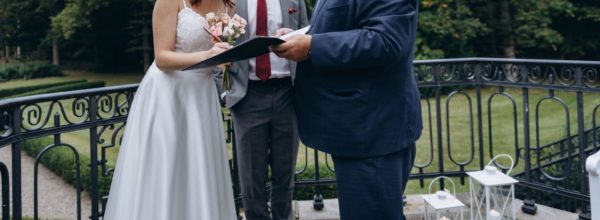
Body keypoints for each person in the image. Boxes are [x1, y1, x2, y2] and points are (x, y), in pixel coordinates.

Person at [270, 0, 422, 219]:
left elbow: (385, 41)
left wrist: (312, 45)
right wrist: (302, 36)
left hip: (371, 134)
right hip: (360, 131)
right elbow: (347, 24)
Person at [103, 0, 237, 219]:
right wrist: (206, 56)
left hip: (202, 95)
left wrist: (224, 59)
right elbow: (162, 58)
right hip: (168, 95)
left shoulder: (228, 5)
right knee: (166, 168)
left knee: (199, 167)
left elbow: (217, 51)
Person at [215, 0, 307, 219]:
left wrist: (293, 35)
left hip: (287, 94)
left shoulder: (295, 1)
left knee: (285, 176)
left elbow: (308, 37)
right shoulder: (230, 2)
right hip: (248, 96)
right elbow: (215, 42)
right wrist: (223, 90)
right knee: (251, 178)